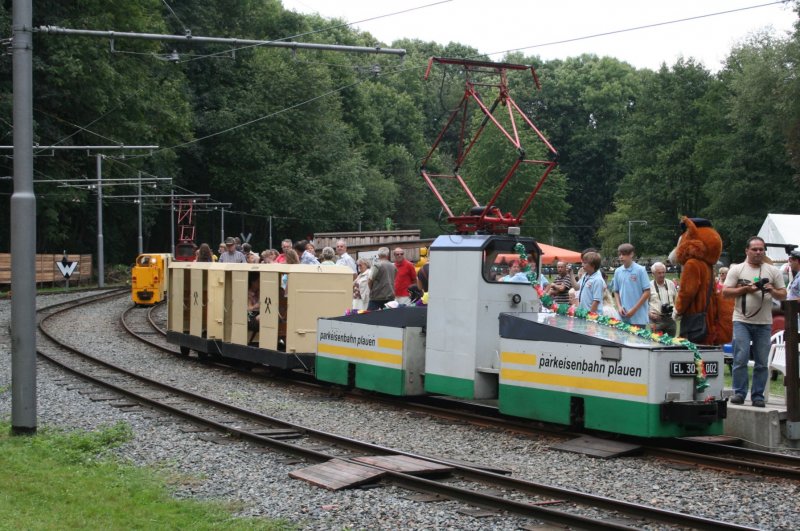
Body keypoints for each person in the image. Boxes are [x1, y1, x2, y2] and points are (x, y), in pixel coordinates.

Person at [723, 236, 786, 407]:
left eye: (761, 249)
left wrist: (772, 290)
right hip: (741, 320)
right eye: (755, 249)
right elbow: (726, 293)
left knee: (761, 361)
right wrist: (746, 289)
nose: (758, 252)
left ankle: (758, 396)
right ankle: (739, 393)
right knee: (741, 357)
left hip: (764, 322)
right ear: (747, 251)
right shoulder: (737, 269)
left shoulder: (773, 271)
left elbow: (783, 294)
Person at [612, 243, 650, 326]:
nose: (621, 257)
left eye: (624, 254)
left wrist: (634, 309)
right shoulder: (617, 271)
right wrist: (619, 307)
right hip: (623, 317)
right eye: (620, 254)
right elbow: (616, 291)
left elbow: (647, 292)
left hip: (638, 318)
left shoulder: (640, 270)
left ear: (631, 254)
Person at [648, 261, 677, 335]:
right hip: (656, 320)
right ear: (653, 274)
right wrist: (649, 314)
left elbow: (675, 300)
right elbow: (644, 305)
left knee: (672, 343)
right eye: (659, 273)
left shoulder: (670, 283)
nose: (662, 275)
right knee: (656, 344)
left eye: (663, 272)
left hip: (671, 319)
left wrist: (675, 313)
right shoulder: (648, 286)